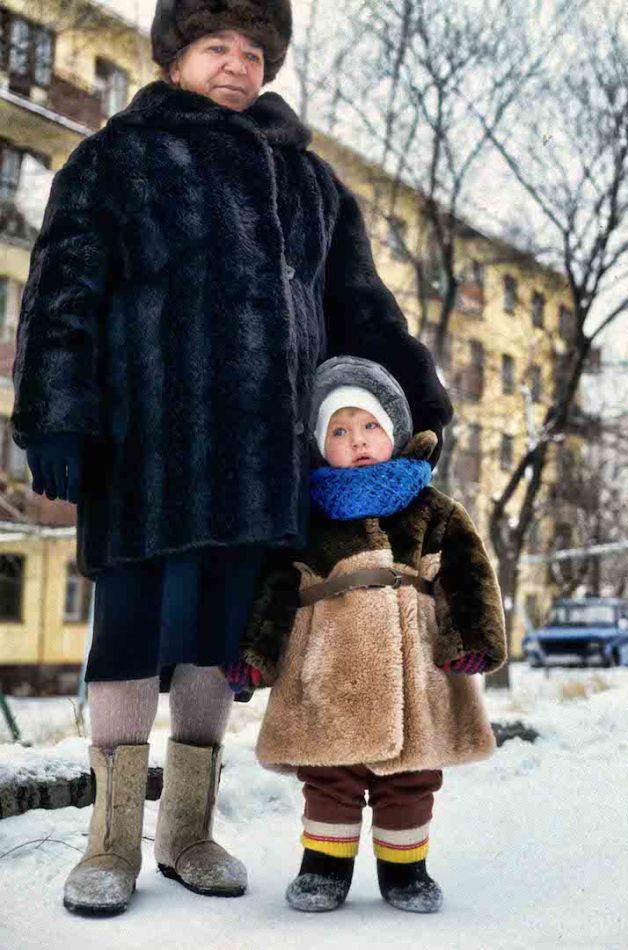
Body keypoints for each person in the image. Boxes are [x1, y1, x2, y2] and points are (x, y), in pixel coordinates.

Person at [11, 0, 452, 917]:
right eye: (218, 45)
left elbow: (363, 308)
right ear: (175, 55)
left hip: (261, 462)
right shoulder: (115, 158)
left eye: (255, 51)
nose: (238, 65)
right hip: (145, 451)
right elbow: (62, 291)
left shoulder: (309, 180)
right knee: (128, 637)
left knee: (218, 640)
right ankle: (111, 843)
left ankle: (187, 832)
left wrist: (420, 403)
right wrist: (56, 415)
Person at [242, 356, 506, 914]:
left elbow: (469, 576)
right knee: (329, 773)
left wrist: (473, 637)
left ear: (395, 430)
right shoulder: (309, 517)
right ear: (321, 444)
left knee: (411, 777)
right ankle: (324, 869)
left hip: (417, 671)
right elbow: (274, 592)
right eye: (339, 430)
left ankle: (406, 871)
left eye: (369, 426)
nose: (356, 440)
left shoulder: (434, 510)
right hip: (327, 669)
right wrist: (255, 654)